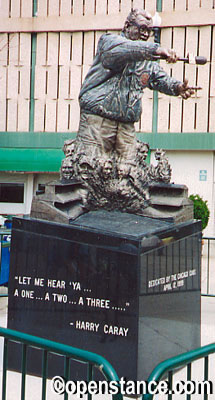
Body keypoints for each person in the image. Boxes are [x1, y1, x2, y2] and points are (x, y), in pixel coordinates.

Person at [76, 8, 195, 162]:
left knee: (130, 172)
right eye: (142, 28)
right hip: (97, 120)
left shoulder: (146, 61)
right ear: (127, 26)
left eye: (149, 31)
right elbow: (129, 49)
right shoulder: (109, 42)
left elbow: (160, 78)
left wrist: (178, 88)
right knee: (91, 168)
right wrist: (157, 49)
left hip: (126, 125)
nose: (145, 34)